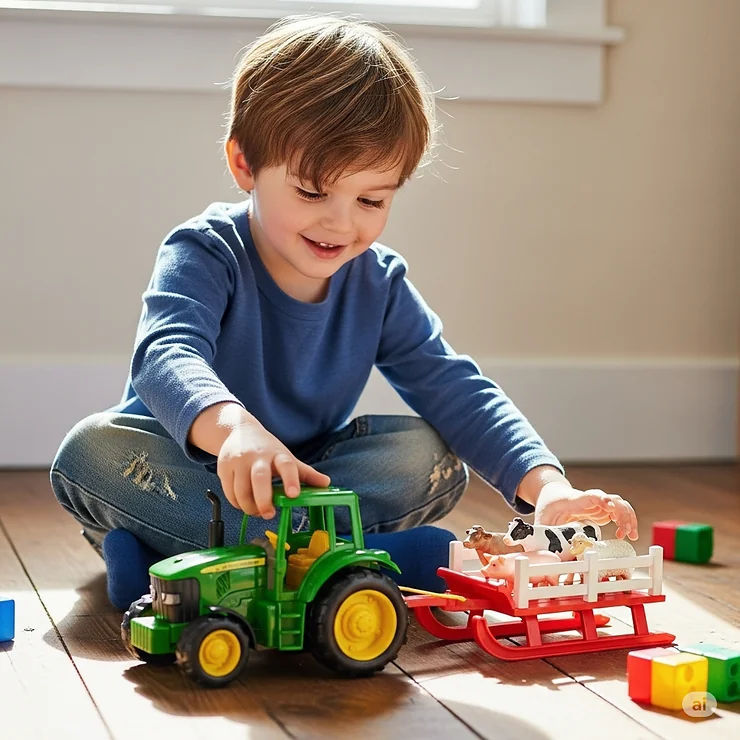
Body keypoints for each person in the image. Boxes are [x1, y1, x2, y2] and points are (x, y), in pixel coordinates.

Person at [50, 14, 638, 610]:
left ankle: (194, 564)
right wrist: (234, 433)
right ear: (245, 165)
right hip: (190, 470)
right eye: (311, 192)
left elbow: (454, 386)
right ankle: (335, 560)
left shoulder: (378, 281)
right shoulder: (205, 250)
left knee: (430, 456)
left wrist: (548, 489)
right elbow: (164, 355)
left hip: (308, 481)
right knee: (88, 451)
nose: (341, 222)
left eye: (370, 200)